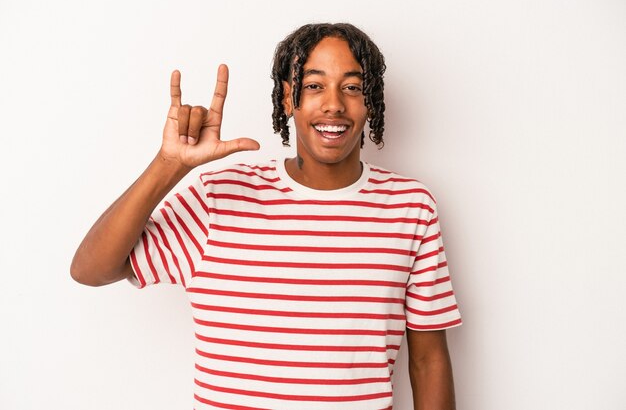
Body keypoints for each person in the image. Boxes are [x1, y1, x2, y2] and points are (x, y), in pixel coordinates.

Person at [71, 23, 462, 410]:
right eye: (314, 85)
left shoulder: (410, 207)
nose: (334, 104)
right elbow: (91, 269)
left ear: (370, 101)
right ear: (289, 97)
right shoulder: (219, 197)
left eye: (352, 87)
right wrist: (169, 165)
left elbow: (428, 361)